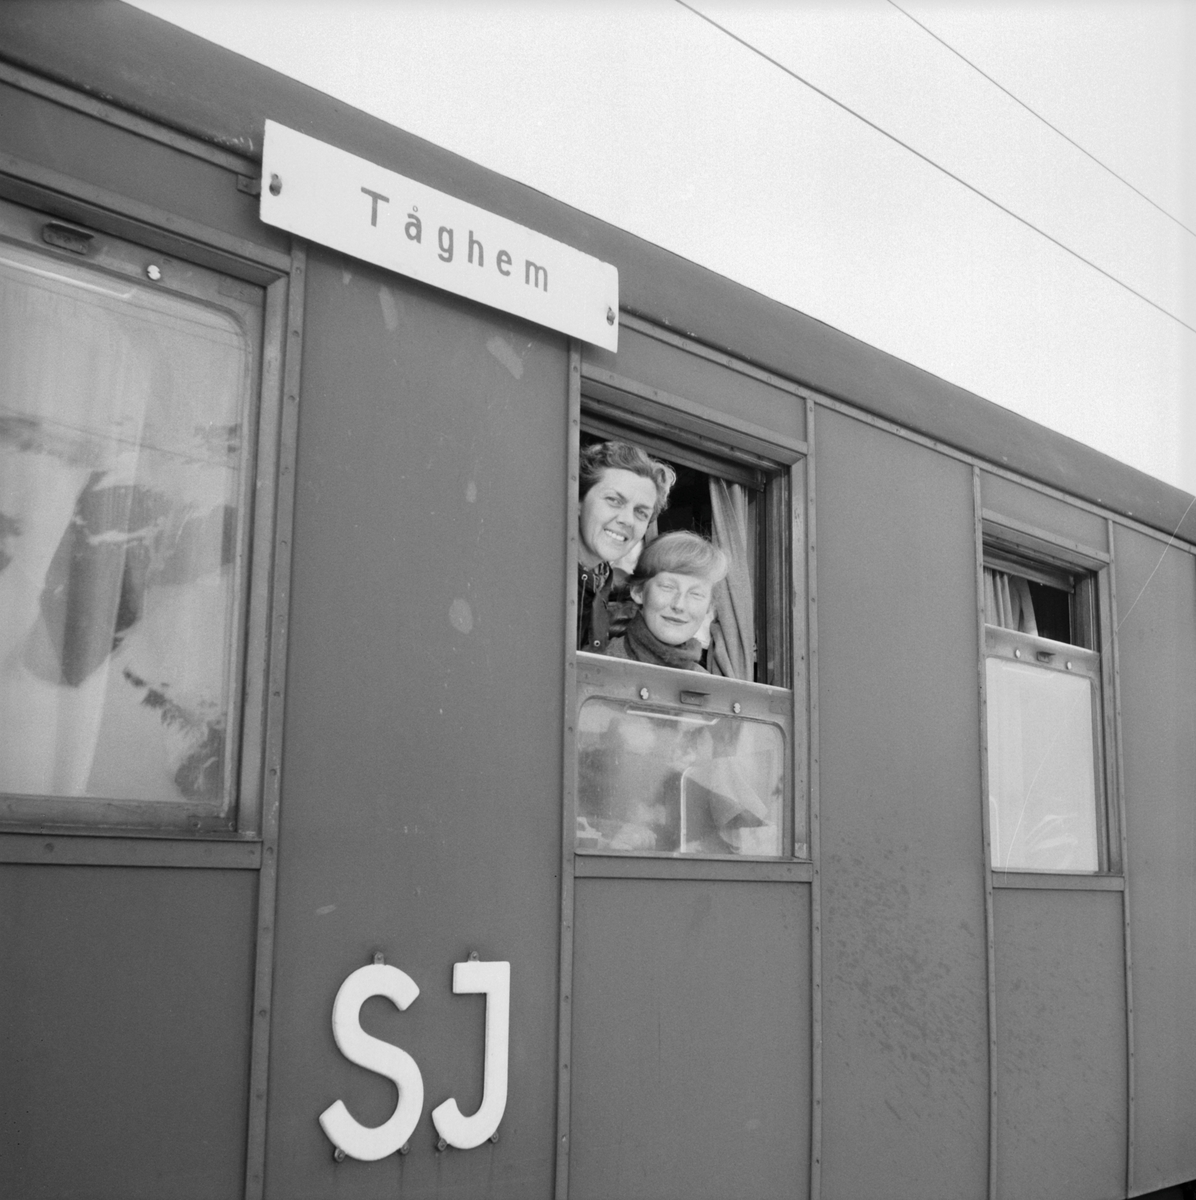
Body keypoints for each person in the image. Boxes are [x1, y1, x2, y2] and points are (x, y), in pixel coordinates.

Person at [576, 440, 675, 652]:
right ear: (578, 501)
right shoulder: (538, 572)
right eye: (614, 500)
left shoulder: (601, 580)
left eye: (641, 512)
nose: (628, 520)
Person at [605, 531, 727, 671]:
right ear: (638, 591)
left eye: (696, 594)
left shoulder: (704, 680)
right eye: (667, 587)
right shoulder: (598, 665)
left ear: (709, 606)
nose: (679, 605)